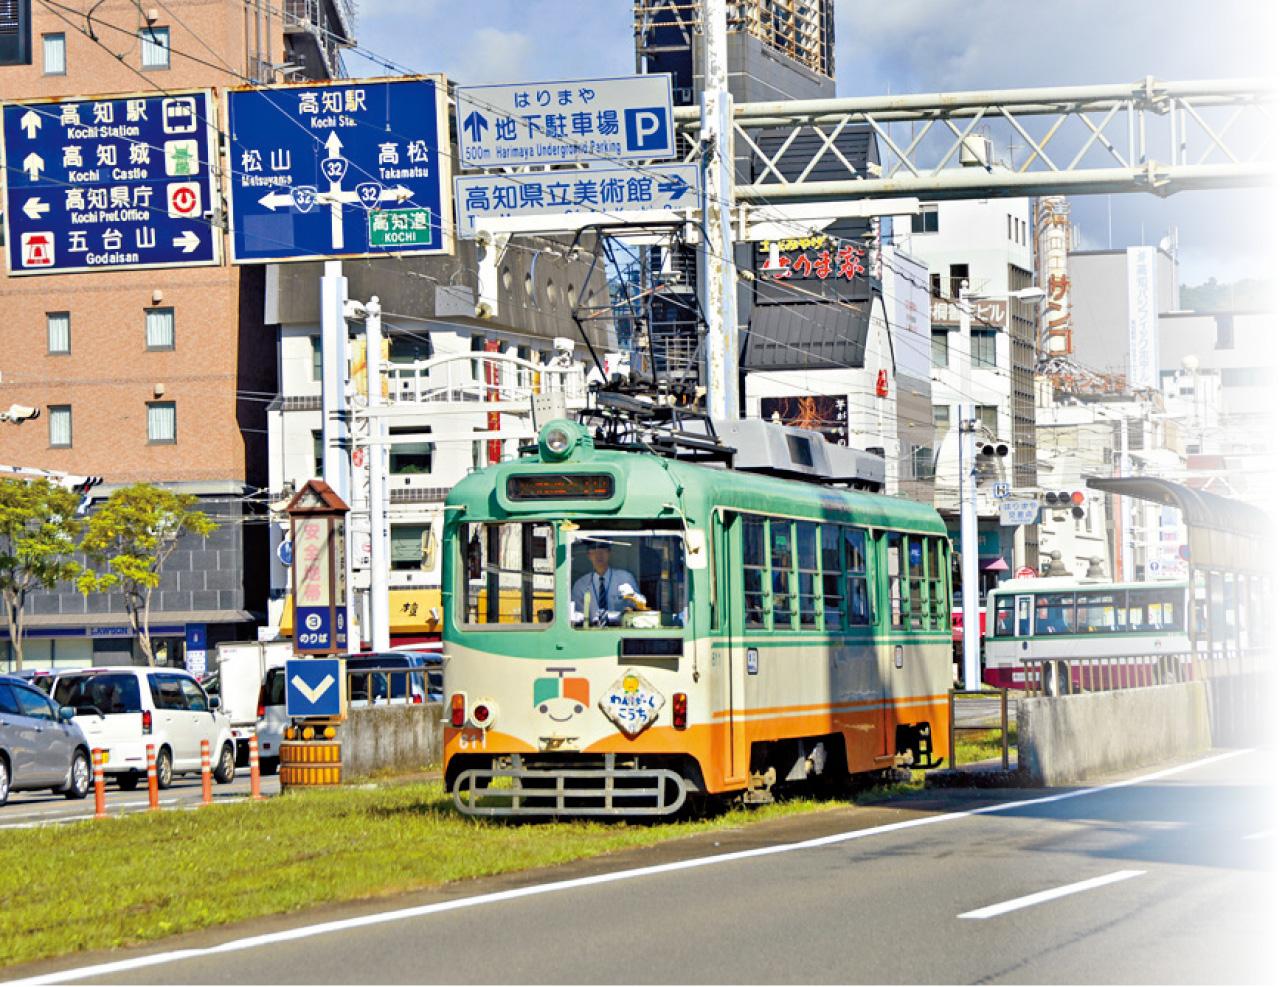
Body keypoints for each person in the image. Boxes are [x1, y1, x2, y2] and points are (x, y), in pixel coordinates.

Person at [571, 539, 644, 626]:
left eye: (603, 551)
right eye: (594, 552)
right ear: (589, 555)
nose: (599, 555)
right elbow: (576, 614)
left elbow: (642, 605)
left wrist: (633, 596)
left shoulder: (625, 578)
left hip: (620, 629)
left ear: (609, 553)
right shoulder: (581, 584)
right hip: (591, 631)